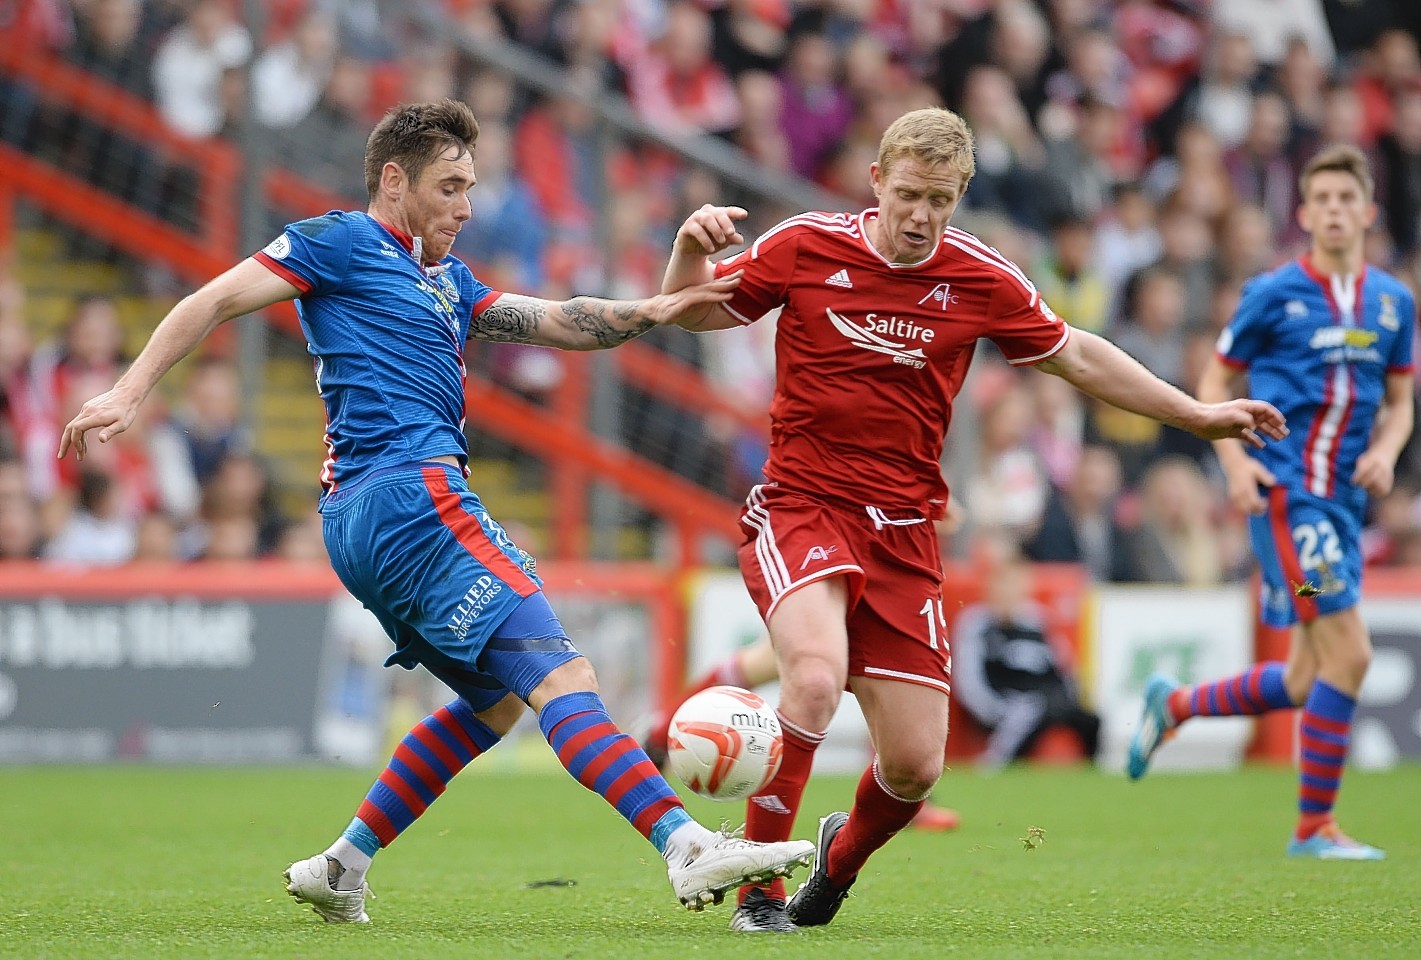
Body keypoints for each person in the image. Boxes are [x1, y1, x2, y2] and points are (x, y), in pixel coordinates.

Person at [56, 98, 814, 923]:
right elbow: (212, 299)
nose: (465, 205)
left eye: (471, 187)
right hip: (409, 496)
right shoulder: (338, 241)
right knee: (565, 676)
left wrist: (673, 288)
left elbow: (569, 323)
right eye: (450, 186)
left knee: (493, 702)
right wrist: (130, 389)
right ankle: (686, 844)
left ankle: (342, 863)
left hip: (364, 518)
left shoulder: (449, 281)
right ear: (393, 179)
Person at [660, 106, 1287, 933]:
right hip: (801, 506)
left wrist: (1195, 414)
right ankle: (760, 895)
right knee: (811, 678)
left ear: (960, 196)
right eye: (910, 194)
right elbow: (689, 310)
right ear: (877, 181)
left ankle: (834, 863)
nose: (922, 216)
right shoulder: (806, 244)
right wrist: (685, 254)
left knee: (916, 767)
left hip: (906, 531)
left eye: (942, 201)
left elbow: (1076, 353)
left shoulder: (978, 274)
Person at [1128, 144, 1415, 861]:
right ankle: (1312, 828)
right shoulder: (1272, 293)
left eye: (1346, 199)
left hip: (1343, 506)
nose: (1333, 211)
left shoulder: (1392, 301)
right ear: (1304, 212)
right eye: (1320, 199)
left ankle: (1175, 705)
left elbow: (1403, 398)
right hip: (1289, 500)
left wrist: (1385, 450)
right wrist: (1230, 462)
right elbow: (1212, 376)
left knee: (1303, 677)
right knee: (1348, 656)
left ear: (1367, 211)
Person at [952, 537, 1099, 770]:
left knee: (1092, 720)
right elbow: (968, 681)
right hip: (1006, 705)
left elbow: (1065, 668)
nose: (1008, 591)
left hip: (1045, 702)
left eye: (1014, 583)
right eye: (1002, 583)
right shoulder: (976, 624)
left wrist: (1068, 700)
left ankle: (1090, 774)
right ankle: (993, 766)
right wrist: (997, 710)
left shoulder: (1038, 620)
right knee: (1025, 714)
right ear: (990, 585)